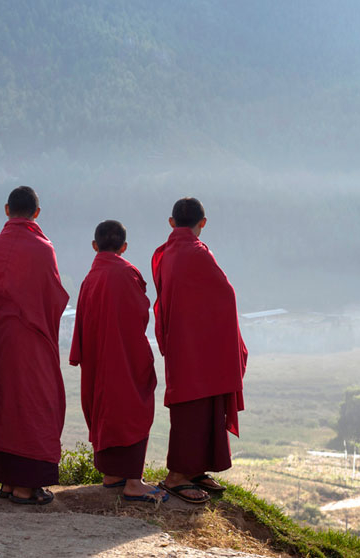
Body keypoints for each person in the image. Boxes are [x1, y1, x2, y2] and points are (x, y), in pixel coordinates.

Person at [0, 186, 69, 505]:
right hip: (30, 341)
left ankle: (7, 482)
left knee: (3, 404)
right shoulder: (43, 248)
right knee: (35, 405)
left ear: (6, 209)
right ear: (36, 213)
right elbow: (53, 296)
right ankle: (27, 486)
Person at [151, 198, 247, 504]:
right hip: (198, 346)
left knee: (200, 405)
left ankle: (194, 471)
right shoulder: (197, 252)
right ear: (202, 222)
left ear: (171, 222)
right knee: (193, 408)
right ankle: (176, 476)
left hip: (187, 345)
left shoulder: (167, 253)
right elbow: (226, 295)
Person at [69, 220, 164, 503]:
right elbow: (141, 314)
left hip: (99, 360)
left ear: (95, 246)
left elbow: (84, 322)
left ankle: (112, 475)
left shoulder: (90, 279)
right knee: (133, 407)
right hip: (126, 356)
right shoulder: (128, 273)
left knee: (106, 410)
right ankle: (133, 482)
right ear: (124, 247)